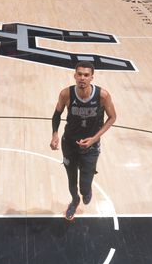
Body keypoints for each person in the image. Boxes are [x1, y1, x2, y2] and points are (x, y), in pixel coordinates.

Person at [49, 62, 117, 221]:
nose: (82, 78)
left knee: (85, 186)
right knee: (71, 180)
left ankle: (86, 192)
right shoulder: (66, 94)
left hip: (91, 147)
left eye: (86, 75)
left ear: (92, 77)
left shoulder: (103, 96)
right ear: (74, 75)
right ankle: (74, 201)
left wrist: (94, 139)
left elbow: (112, 117)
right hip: (70, 144)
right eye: (79, 74)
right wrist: (54, 134)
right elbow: (56, 114)